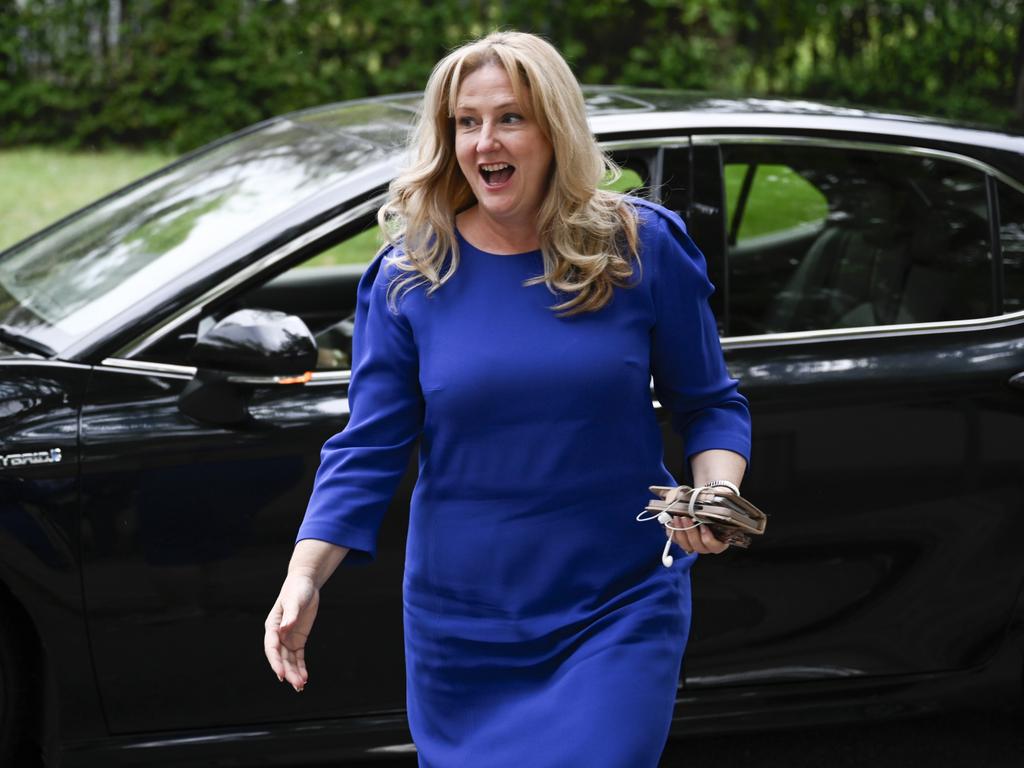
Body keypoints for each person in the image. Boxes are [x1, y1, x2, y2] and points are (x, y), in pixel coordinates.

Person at [264, 30, 751, 767]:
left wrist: (716, 494)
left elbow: (710, 402)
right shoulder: (408, 276)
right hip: (463, 621)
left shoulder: (641, 248)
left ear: (554, 130)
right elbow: (367, 450)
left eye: (511, 118)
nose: (485, 140)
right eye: (467, 122)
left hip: (616, 605)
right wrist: (303, 577)